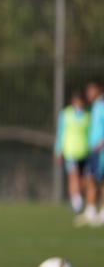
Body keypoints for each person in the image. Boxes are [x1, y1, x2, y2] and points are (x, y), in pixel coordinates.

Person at [55, 90, 91, 219]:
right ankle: (77, 203)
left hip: (85, 151)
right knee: (73, 176)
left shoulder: (88, 115)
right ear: (73, 101)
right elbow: (61, 133)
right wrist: (58, 150)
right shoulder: (66, 115)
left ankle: (78, 198)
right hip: (70, 151)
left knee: (85, 179)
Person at [82, 81, 103, 227]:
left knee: (102, 180)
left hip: (101, 150)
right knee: (90, 178)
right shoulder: (94, 107)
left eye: (91, 90)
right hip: (93, 150)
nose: (88, 93)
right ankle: (90, 211)